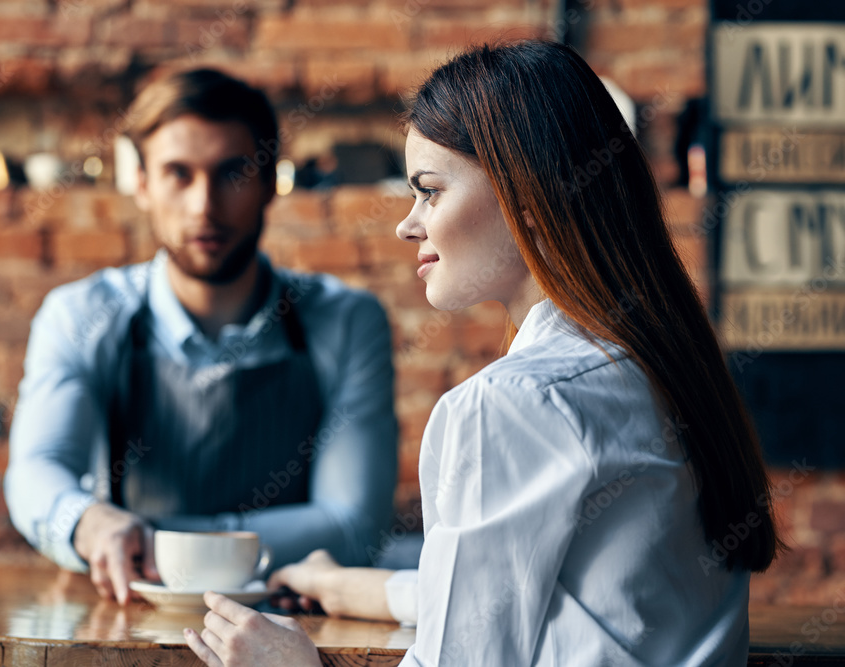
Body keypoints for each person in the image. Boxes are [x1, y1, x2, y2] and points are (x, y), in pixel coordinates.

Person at [182, 40, 782, 666]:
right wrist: (351, 587)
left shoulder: (513, 405)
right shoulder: (655, 368)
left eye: (430, 190)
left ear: (528, 198)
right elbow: (570, 602)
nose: (406, 224)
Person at [4, 66, 399, 605]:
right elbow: (37, 468)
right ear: (140, 184)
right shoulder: (80, 315)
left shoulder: (347, 320)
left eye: (232, 172)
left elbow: (354, 526)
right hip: (126, 623)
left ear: (269, 183)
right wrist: (90, 524)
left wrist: (154, 539)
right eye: (178, 174)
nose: (204, 206)